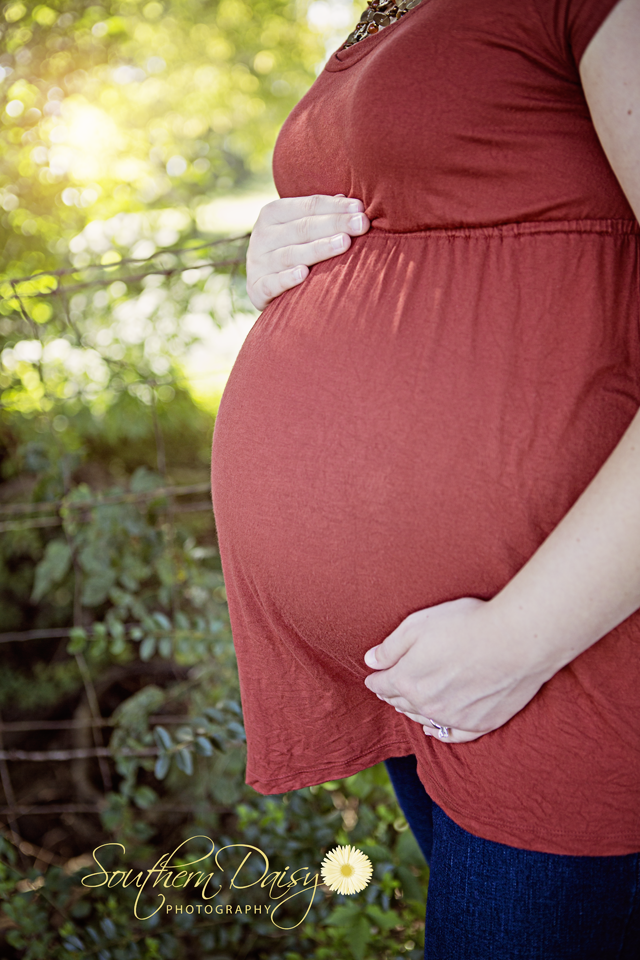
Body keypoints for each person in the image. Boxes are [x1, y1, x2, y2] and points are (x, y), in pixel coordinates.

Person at [210, 0, 640, 955]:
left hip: (557, 650)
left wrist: (520, 640)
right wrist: (281, 256)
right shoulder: (386, 10)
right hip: (433, 668)